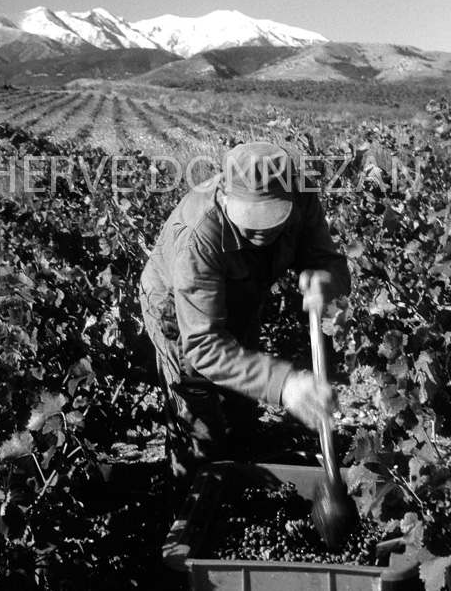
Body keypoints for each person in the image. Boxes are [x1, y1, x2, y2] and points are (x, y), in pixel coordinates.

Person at [139, 141, 350, 517]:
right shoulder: (198, 236)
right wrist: (285, 385)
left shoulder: (301, 198)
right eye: (249, 219)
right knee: (200, 429)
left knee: (242, 407)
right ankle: (186, 527)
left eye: (272, 217)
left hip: (243, 299)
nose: (260, 231)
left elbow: (327, 259)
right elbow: (203, 346)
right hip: (177, 314)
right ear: (224, 194)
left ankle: (242, 496)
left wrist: (325, 278)